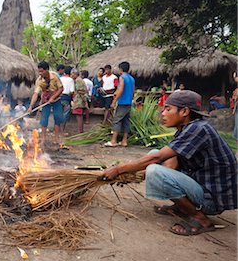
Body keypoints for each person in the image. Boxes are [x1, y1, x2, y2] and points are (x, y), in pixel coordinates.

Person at [101, 90, 237, 236]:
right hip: (202, 185)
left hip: (212, 199)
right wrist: (132, 174)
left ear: (184, 111)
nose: (163, 113)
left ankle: (201, 219)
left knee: (155, 168)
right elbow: (171, 162)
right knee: (155, 156)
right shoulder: (187, 128)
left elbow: (157, 160)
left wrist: (118, 169)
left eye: (168, 109)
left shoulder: (198, 129)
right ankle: (182, 207)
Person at [27, 61, 64, 145]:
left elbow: (61, 89)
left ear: (47, 70)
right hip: (45, 101)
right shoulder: (39, 81)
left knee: (57, 118)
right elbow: (36, 94)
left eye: (42, 71)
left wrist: (53, 97)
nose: (40, 73)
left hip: (56, 100)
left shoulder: (54, 77)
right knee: (44, 119)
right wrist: (31, 106)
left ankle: (56, 138)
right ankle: (43, 138)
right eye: (39, 71)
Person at [105, 61, 135, 147]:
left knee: (117, 120)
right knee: (126, 121)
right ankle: (124, 141)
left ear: (121, 69)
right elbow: (133, 91)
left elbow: (120, 90)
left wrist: (114, 102)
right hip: (129, 102)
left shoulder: (122, 77)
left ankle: (113, 140)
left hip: (122, 102)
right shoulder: (131, 78)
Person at [70, 68, 87, 134]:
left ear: (75, 74)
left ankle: (80, 131)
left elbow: (81, 91)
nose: (71, 75)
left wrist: (85, 101)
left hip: (79, 101)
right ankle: (80, 130)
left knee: (79, 116)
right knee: (79, 116)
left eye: (72, 74)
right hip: (78, 100)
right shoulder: (79, 80)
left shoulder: (78, 80)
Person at [60, 66, 75, 132]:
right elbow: (72, 91)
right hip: (66, 98)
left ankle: (57, 130)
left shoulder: (60, 78)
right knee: (65, 115)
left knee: (59, 114)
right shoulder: (71, 80)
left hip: (59, 98)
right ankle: (62, 130)